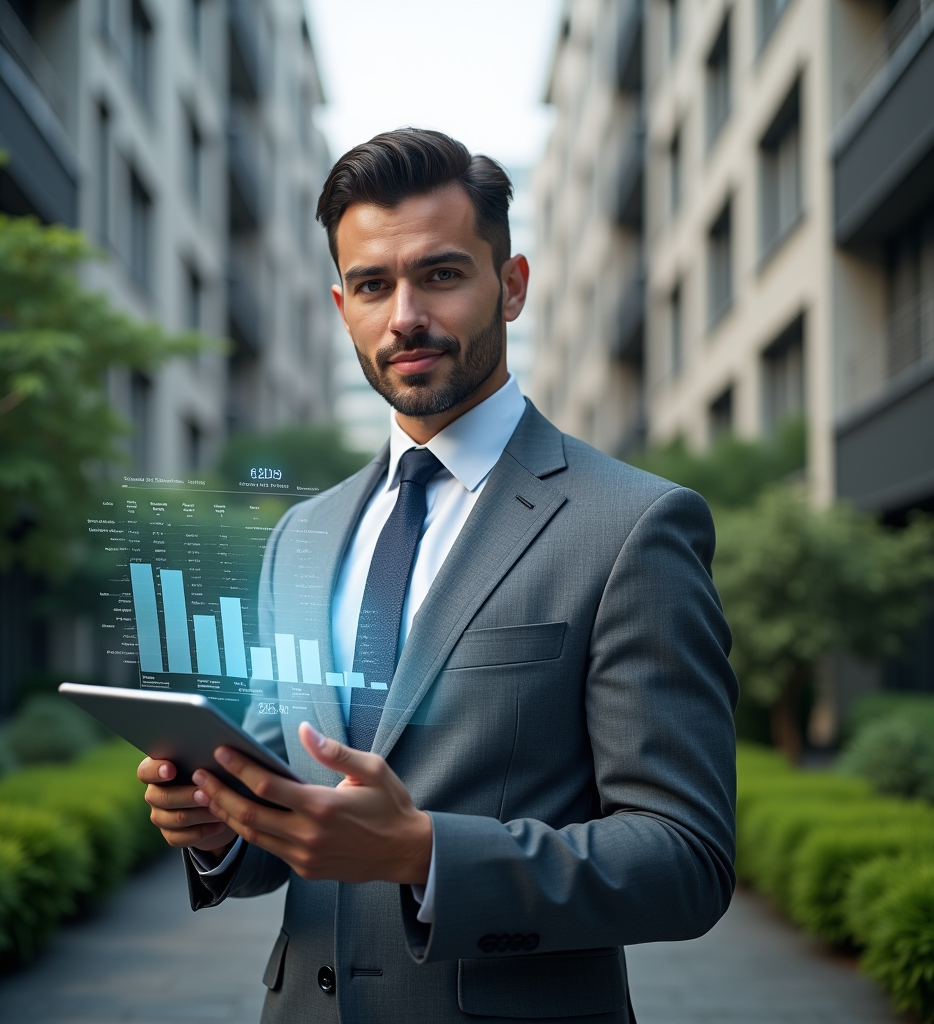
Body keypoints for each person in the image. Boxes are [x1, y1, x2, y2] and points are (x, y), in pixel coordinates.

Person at [138, 129, 737, 1024]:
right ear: (342, 304)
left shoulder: (634, 526)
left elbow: (686, 860)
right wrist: (226, 826)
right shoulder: (302, 535)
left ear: (513, 285)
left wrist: (424, 853)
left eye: (442, 275)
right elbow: (296, 807)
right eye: (374, 286)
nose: (404, 315)